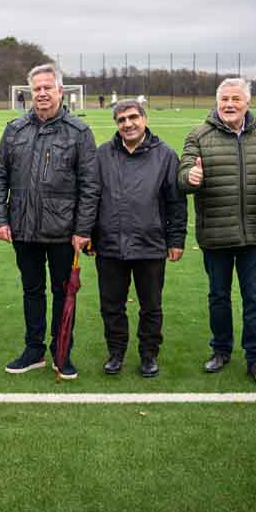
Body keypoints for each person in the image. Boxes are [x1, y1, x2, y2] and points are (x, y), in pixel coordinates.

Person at [0, 62, 98, 379]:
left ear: (60, 91)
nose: (42, 94)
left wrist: (83, 229)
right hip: (23, 228)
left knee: (64, 293)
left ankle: (62, 352)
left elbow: (90, 185)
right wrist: (0, 219)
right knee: (31, 290)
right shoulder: (14, 130)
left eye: (47, 88)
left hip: (64, 233)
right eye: (36, 89)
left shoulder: (79, 132)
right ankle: (33, 349)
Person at [178, 78, 256, 388]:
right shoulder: (198, 135)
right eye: (224, 98)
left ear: (247, 103)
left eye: (236, 99)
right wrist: (191, 176)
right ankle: (221, 350)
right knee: (219, 297)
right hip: (215, 234)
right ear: (217, 101)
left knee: (255, 298)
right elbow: (183, 177)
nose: (229, 104)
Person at [94, 99, 186, 378]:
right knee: (111, 306)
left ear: (144, 118)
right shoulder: (102, 155)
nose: (128, 124)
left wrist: (177, 239)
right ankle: (116, 352)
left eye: (133, 117)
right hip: (109, 245)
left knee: (151, 306)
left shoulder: (166, 155)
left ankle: (148, 355)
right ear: (116, 125)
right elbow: (91, 198)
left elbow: (176, 202)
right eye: (121, 120)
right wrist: (88, 234)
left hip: (151, 244)